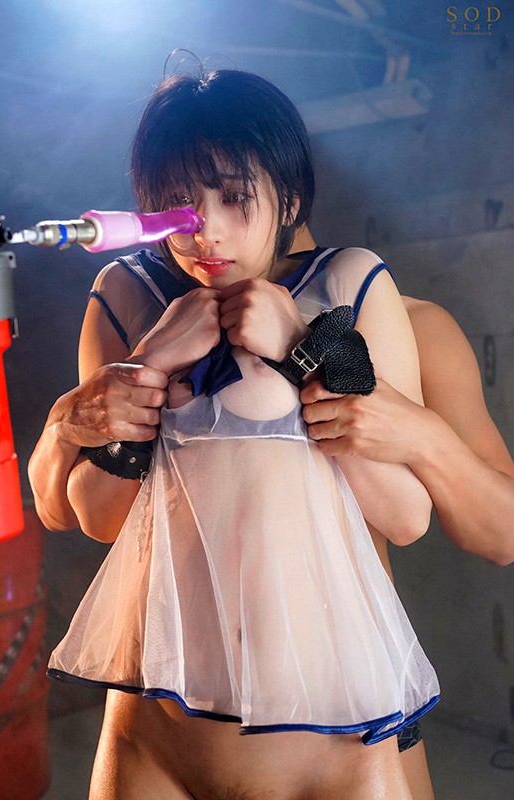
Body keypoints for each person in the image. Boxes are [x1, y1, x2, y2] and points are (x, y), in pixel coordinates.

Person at [29, 68, 442, 799]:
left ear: (290, 197)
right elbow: (97, 518)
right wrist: (152, 359)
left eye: (233, 197)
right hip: (155, 734)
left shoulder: (348, 283)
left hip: (330, 741)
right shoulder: (127, 293)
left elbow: (407, 517)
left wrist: (303, 349)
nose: (205, 230)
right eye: (179, 204)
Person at [292, 224, 514, 800]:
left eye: (235, 194)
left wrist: (422, 436)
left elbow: (504, 534)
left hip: (353, 694)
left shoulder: (417, 327)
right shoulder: (162, 322)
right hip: (184, 701)